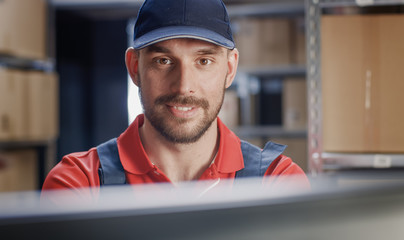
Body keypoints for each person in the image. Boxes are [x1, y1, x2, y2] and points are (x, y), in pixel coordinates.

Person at [42, 0, 309, 201]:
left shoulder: (279, 184)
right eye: (164, 61)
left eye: (203, 61)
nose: (183, 86)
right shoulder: (78, 184)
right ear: (134, 67)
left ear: (229, 69)